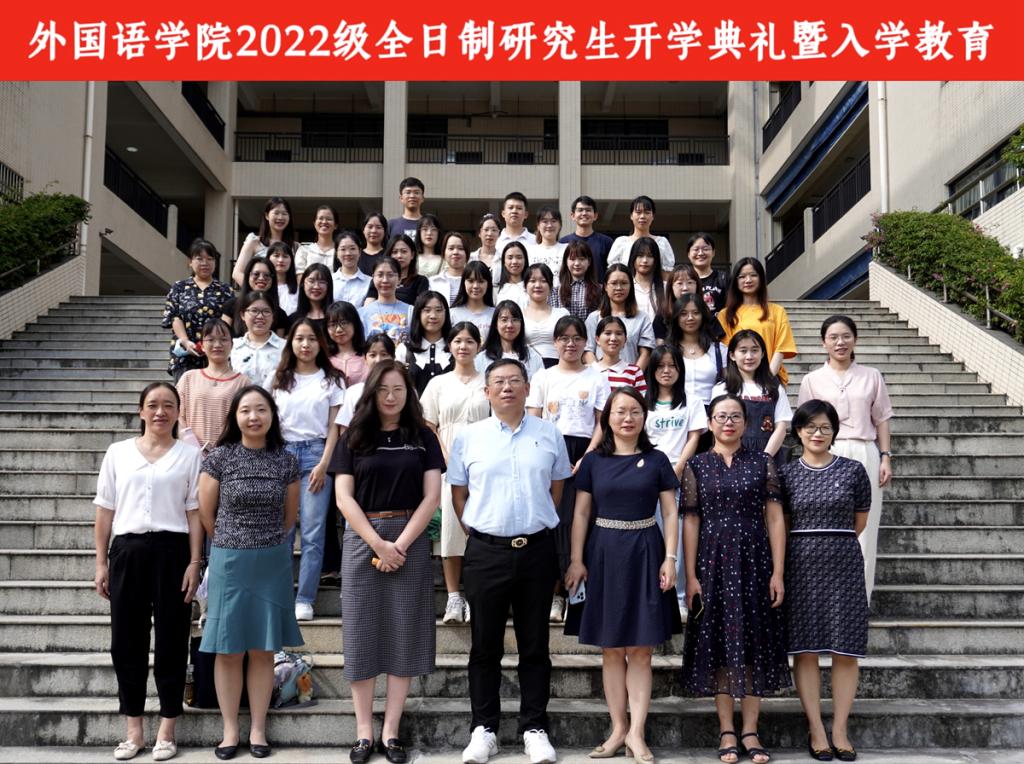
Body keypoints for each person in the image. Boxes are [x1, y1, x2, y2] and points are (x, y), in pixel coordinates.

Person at [448, 358, 572, 764]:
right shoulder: (470, 437)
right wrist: (482, 531)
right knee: (485, 646)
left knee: (535, 645)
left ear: (527, 388)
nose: (507, 388)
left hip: (536, 550)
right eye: (498, 382)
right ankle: (484, 729)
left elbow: (556, 489)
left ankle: (534, 727)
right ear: (486, 391)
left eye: (515, 380)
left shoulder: (549, 434)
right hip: (486, 552)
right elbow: (459, 494)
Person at [332, 361, 443, 764]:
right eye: (383, 389)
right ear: (371, 394)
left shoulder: (422, 437)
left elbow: (432, 496)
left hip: (409, 538)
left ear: (409, 394)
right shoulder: (354, 437)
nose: (391, 397)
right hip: (364, 538)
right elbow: (343, 498)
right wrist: (379, 544)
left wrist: (399, 545)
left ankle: (391, 731)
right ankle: (363, 732)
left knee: (404, 633)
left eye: (398, 389)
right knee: (361, 633)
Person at [564, 387, 681, 764]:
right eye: (620, 411)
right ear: (607, 417)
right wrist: (576, 559)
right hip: (603, 554)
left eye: (634, 411)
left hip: (646, 551)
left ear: (644, 417)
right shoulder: (593, 462)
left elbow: (670, 512)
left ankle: (637, 733)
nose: (627, 418)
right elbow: (581, 513)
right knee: (611, 648)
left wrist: (671, 558)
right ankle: (617, 728)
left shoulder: (657, 459)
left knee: (642, 649)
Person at [93, 382, 203, 763]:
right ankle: (134, 731)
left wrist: (195, 562)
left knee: (172, 639)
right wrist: (101, 561)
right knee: (126, 642)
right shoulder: (118, 453)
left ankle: (167, 729)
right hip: (128, 551)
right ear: (141, 411)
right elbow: (105, 509)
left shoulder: (190, 455)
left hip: (173, 552)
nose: (160, 412)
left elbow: (194, 512)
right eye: (153, 405)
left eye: (169, 405)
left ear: (178, 412)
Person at [681, 394, 790, 764]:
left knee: (754, 641)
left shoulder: (762, 462)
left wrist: (778, 571)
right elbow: (691, 519)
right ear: (710, 423)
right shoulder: (697, 465)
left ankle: (751, 730)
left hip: (755, 560)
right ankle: (727, 729)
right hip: (711, 562)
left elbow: (774, 518)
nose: (728, 423)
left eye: (735, 417)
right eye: (721, 417)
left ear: (746, 422)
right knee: (719, 643)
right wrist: (690, 575)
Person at [198, 385, 302, 761]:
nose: (253, 417)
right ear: (235, 417)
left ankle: (258, 728)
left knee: (263, 648)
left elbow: (290, 516)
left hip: (272, 562)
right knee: (228, 649)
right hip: (230, 561)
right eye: (245, 410)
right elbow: (206, 513)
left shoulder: (286, 461)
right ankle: (230, 731)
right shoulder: (220, 458)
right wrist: (232, 541)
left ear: (272, 415)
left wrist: (265, 540)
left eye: (261, 409)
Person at [781, 400, 873, 763]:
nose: (817, 434)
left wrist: (832, 543)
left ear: (834, 431)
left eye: (825, 427)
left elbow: (860, 520)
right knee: (805, 649)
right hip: (800, 565)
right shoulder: (787, 474)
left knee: (845, 649)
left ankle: (840, 729)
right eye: (810, 427)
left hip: (843, 565)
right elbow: (783, 523)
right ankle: (816, 728)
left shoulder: (853, 471)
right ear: (798, 431)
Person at [797, 315, 894, 602]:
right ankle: (827, 600)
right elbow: (804, 424)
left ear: (855, 339)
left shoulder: (872, 376)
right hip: (826, 452)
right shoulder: (812, 380)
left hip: (864, 451)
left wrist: (885, 457)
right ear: (823, 343)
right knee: (826, 527)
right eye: (833, 337)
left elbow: (882, 419)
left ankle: (859, 601)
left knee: (865, 530)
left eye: (846, 336)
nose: (840, 342)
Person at [526, 315, 610, 623]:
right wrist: (546, 457)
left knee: (581, 520)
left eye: (576, 338)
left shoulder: (596, 378)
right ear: (555, 342)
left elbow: (602, 422)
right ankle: (555, 592)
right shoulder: (543, 377)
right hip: (550, 451)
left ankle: (578, 593)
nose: (570, 344)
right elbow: (534, 420)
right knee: (554, 522)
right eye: (564, 338)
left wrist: (588, 455)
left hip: (587, 453)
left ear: (586, 342)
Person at [265, 319, 346, 621]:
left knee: (312, 532)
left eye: (311, 338)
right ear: (291, 343)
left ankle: (305, 599)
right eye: (299, 338)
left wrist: (324, 464)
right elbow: (268, 420)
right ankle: (281, 596)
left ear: (320, 343)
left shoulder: (332, 379)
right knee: (283, 532)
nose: (305, 344)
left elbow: (334, 427)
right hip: (282, 453)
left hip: (316, 454)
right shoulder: (278, 377)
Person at [421, 323, 490, 625]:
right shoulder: (438, 383)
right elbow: (428, 425)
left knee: (480, 532)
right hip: (449, 464)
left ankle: (475, 595)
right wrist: (445, 457)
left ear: (479, 345)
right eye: (458, 341)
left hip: (485, 465)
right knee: (450, 531)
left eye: (469, 341)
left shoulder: (488, 381)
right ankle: (453, 597)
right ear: (449, 345)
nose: (463, 346)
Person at [645, 344, 708, 615]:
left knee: (680, 535)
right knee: (654, 533)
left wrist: (680, 467)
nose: (666, 371)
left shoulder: (691, 401)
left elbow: (694, 437)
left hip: (680, 473)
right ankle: (654, 594)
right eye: (660, 366)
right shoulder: (643, 400)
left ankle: (680, 597)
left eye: (672, 366)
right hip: (648, 473)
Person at [712, 329, 792, 465]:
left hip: (769, 456)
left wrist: (764, 459)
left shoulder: (774, 387)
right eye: (743, 351)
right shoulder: (722, 388)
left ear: (762, 354)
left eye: (754, 350)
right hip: (731, 458)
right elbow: (718, 427)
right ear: (732, 355)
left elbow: (781, 427)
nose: (749, 356)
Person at [176, 319, 253, 454]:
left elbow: (247, 422)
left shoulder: (243, 382)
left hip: (230, 456)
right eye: (210, 340)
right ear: (202, 346)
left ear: (232, 345)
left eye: (223, 339)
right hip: (191, 455)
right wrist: (192, 447)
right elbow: (177, 416)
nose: (217, 345)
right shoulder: (189, 378)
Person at [161, 239, 233, 381]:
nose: (205, 263)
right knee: (185, 393)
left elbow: (227, 319)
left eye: (210, 259)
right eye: (199, 259)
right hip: (185, 355)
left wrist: (212, 343)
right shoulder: (179, 288)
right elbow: (174, 317)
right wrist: (185, 341)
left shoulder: (225, 290)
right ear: (190, 261)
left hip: (215, 354)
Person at [718, 257, 797, 387]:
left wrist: (768, 378)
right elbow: (726, 352)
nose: (748, 280)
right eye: (742, 276)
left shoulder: (777, 311)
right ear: (735, 281)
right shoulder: (725, 315)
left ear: (761, 279)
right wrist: (739, 382)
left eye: (753, 275)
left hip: (771, 379)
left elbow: (781, 348)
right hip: (738, 382)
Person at [583, 264, 656, 371]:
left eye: (624, 283)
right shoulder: (594, 318)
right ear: (605, 287)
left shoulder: (642, 318)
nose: (619, 288)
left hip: (631, 378)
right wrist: (600, 374)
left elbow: (646, 352)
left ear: (631, 286)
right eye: (614, 283)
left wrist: (632, 376)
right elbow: (587, 350)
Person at [396, 290, 453, 395]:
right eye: (427, 310)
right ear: (418, 314)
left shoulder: (455, 349)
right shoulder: (404, 350)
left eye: (438, 310)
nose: (433, 316)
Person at [335, 333, 397, 431]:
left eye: (384, 354)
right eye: (373, 355)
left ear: (393, 358)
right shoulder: (353, 393)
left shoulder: (405, 390)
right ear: (365, 359)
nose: (378, 360)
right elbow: (344, 430)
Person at [233, 197, 297, 287]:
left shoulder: (296, 247)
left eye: (284, 213)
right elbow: (237, 273)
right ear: (267, 215)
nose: (280, 217)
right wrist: (256, 290)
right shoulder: (254, 242)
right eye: (276, 213)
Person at [475, 300, 545, 381]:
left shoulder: (532, 356)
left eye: (515, 320)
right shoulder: (482, 358)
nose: (510, 325)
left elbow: (541, 385)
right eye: (504, 320)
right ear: (495, 324)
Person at [220, 257, 289, 337]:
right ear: (248, 276)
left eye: (267, 275)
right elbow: (223, 338)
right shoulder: (231, 306)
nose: (261, 278)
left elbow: (279, 343)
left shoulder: (280, 314)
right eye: (256, 274)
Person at [229, 291, 287, 384]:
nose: (260, 316)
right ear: (243, 315)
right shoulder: (232, 346)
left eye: (266, 311)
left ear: (273, 316)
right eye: (254, 311)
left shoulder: (285, 348)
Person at [607, 196, 675, 272]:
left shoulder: (662, 242)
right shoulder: (621, 242)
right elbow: (613, 272)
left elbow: (667, 272)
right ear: (631, 216)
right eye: (638, 212)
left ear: (653, 216)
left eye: (647, 212)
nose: (642, 216)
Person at [522, 263, 570, 368]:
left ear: (551, 286)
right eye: (532, 281)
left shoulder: (562, 314)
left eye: (543, 281)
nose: (538, 285)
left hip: (557, 367)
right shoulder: (518, 315)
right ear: (525, 286)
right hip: (526, 367)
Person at [358, 257, 414, 344]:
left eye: (390, 275)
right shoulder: (361, 313)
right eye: (380, 275)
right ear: (373, 278)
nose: (385, 280)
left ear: (399, 279)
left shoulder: (410, 311)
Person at [560, 195, 613, 283]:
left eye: (588, 210)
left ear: (595, 216)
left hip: (599, 290)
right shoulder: (563, 242)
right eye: (580, 210)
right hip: (569, 289)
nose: (584, 213)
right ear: (572, 215)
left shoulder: (606, 242)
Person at [365, 234, 430, 306]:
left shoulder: (420, 281)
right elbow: (369, 305)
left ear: (412, 255)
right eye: (394, 252)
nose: (399, 256)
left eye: (404, 251)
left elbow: (421, 308)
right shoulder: (379, 279)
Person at [592, 316, 648, 394]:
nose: (613, 338)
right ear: (597, 339)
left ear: (625, 340)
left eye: (619, 333)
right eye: (608, 333)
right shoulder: (589, 371)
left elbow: (641, 400)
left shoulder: (635, 372)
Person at [555, 240, 602, 321]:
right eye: (572, 259)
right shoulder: (556, 290)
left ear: (589, 262)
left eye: (581, 259)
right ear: (566, 261)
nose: (577, 263)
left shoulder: (600, 290)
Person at [628, 237, 668, 332]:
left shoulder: (666, 287)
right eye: (640, 255)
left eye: (650, 256)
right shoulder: (626, 287)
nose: (645, 260)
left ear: (656, 260)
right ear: (633, 258)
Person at [450, 261, 496, 341]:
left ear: (488, 284)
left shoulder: (495, 314)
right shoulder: (452, 314)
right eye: (470, 281)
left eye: (481, 281)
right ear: (463, 283)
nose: (475, 286)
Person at [327, 300, 368, 385]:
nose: (338, 329)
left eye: (344, 323)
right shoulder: (323, 358)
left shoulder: (368, 356)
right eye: (333, 325)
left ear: (355, 324)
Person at [687, 233, 730, 316]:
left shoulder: (723, 278)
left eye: (705, 249)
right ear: (689, 254)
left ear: (713, 252)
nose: (700, 253)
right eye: (696, 249)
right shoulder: (683, 280)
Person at [289, 263, 334, 336]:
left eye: (322, 282)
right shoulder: (293, 319)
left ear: (329, 286)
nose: (316, 287)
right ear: (303, 284)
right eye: (311, 281)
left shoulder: (335, 317)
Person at [332, 230, 372, 307]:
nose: (348, 253)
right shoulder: (329, 280)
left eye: (352, 248)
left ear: (359, 252)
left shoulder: (370, 282)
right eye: (343, 249)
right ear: (336, 253)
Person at [429, 231, 471, 305]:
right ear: (443, 253)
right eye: (451, 248)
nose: (455, 252)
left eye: (460, 248)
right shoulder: (432, 282)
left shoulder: (474, 282)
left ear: (467, 254)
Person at [296, 205, 339, 273]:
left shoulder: (341, 251)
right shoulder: (304, 250)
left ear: (336, 225)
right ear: (314, 224)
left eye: (329, 219)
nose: (324, 222)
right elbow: (300, 277)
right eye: (320, 218)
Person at [527, 205, 567, 277]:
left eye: (553, 221)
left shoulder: (567, 249)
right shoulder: (529, 251)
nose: (549, 225)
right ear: (538, 226)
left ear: (560, 225)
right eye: (545, 221)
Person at [387, 177, 426, 241]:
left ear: (423, 198)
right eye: (408, 192)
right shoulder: (391, 225)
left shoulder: (429, 225)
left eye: (416, 192)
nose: (412, 196)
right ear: (401, 198)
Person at [493, 241, 530, 308]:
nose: (514, 261)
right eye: (510, 258)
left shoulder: (531, 287)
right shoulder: (496, 289)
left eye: (519, 257)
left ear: (525, 260)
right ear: (504, 262)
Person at [268, 241, 300, 316]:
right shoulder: (263, 287)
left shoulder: (299, 288)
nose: (281, 260)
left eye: (285, 256)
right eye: (276, 256)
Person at [415, 213, 445, 278]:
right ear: (419, 233)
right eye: (425, 229)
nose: (429, 233)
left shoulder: (445, 259)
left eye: (433, 229)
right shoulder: (412, 258)